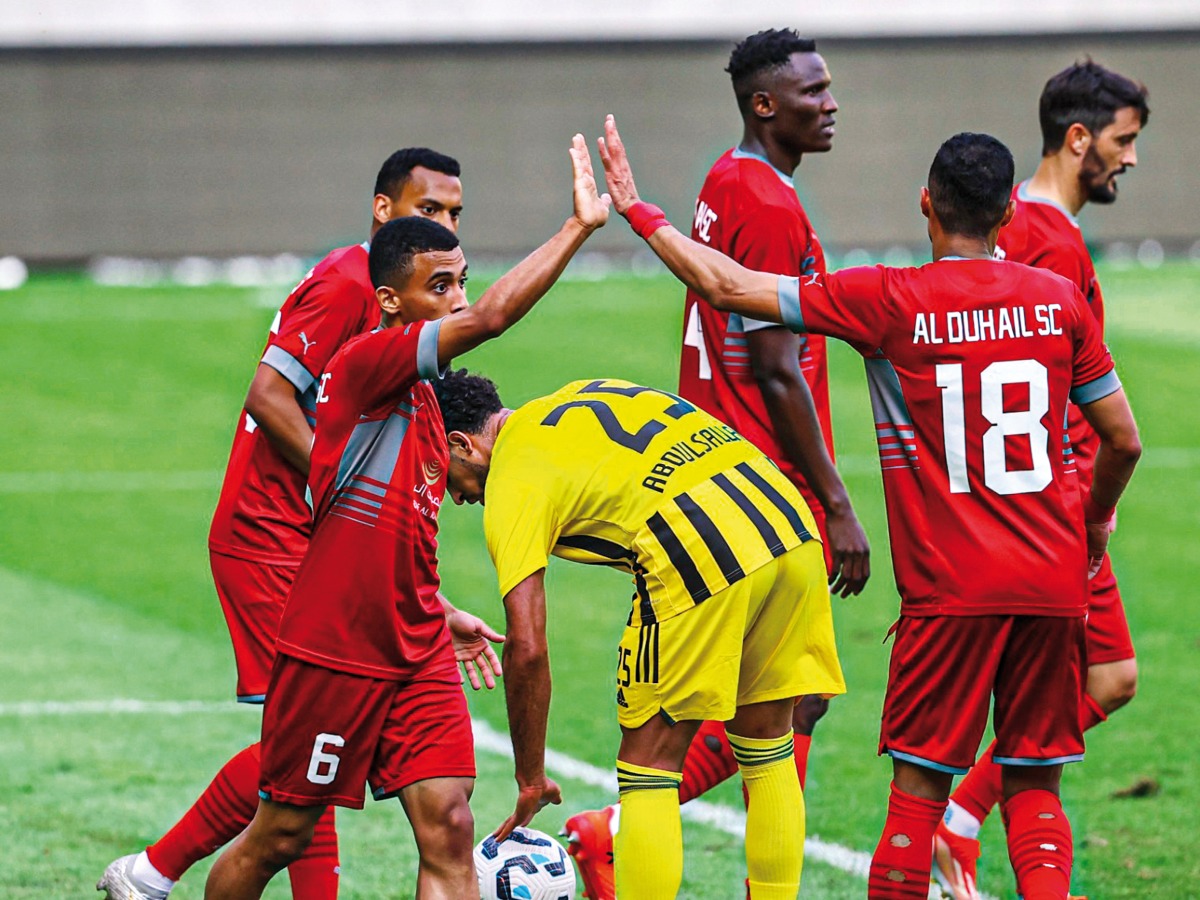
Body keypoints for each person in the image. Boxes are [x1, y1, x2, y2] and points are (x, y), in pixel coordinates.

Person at [596, 118, 1141, 899]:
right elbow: (1122, 441)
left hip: (950, 592)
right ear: (1009, 218)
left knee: (918, 794)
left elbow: (725, 286)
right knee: (1034, 785)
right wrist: (1088, 532)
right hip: (1052, 582)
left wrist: (637, 208)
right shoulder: (1059, 301)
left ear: (927, 204)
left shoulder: (891, 300)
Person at [202, 133, 610, 900]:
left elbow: (405, 533)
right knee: (280, 835)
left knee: (451, 824)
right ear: (390, 301)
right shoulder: (367, 367)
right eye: (437, 287)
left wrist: (441, 609)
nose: (455, 298)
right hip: (336, 650)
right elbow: (489, 319)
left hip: (415, 642)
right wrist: (577, 229)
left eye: (459, 281)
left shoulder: (426, 403)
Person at [97, 148, 485, 900]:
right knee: (308, 755)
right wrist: (335, 487)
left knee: (314, 754)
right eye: (427, 209)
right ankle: (152, 873)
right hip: (273, 533)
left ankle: (152, 873)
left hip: (315, 540)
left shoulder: (396, 293)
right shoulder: (352, 285)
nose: (442, 225)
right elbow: (268, 393)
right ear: (383, 210)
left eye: (453, 214)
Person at [564, 31, 869, 898]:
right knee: (767, 711)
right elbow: (775, 364)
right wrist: (836, 504)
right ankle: (614, 836)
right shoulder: (767, 202)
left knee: (780, 705)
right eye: (813, 90)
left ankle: (612, 834)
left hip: (710, 477)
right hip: (758, 491)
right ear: (765, 103)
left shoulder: (727, 178)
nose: (831, 102)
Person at [435, 369, 847, 900]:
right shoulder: (578, 391)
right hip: (787, 523)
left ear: (461, 443)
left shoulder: (512, 476)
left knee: (649, 767)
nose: (455, 497)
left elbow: (528, 647)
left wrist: (531, 777)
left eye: (446, 476)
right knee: (767, 747)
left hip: (701, 544)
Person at [934, 60, 1150, 900]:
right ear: (1078, 137)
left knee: (1084, 687)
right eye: (1123, 141)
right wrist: (1094, 509)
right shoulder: (1051, 241)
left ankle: (957, 820)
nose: (1129, 160)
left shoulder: (1012, 222)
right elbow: (1078, 396)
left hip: (1005, 509)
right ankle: (960, 822)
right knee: (1092, 692)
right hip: (1057, 512)